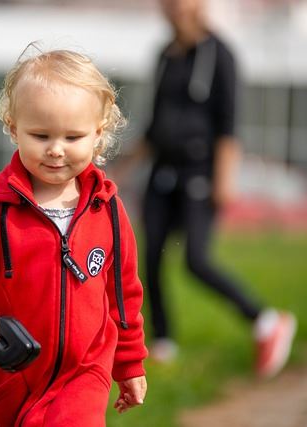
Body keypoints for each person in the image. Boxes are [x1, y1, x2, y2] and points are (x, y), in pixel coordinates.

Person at [0, 46, 148, 426]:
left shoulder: (108, 211)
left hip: (84, 372)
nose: (55, 150)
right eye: (40, 135)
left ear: (98, 134)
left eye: (72, 137)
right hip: (9, 377)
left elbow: (123, 295)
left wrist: (129, 363)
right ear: (13, 127)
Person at [115, 0, 296, 378]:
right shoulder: (165, 54)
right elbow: (155, 125)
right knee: (150, 257)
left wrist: (225, 178)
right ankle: (163, 341)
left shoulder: (220, 54)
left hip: (200, 173)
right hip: (160, 173)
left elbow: (229, 125)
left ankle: (266, 321)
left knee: (196, 260)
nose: (177, 8)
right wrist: (121, 170)